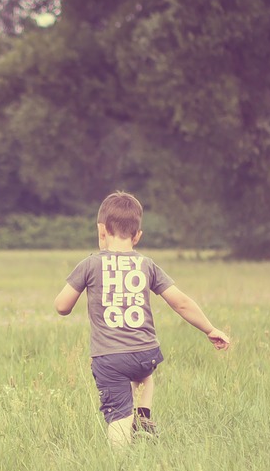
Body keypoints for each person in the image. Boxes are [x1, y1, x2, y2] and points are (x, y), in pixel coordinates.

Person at [55, 191, 230, 448]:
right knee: (143, 374)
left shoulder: (89, 264)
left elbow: (61, 307)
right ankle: (144, 417)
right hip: (145, 353)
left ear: (101, 230)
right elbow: (181, 303)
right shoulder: (147, 265)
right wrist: (210, 328)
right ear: (137, 236)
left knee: (118, 417)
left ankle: (120, 465)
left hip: (110, 358)